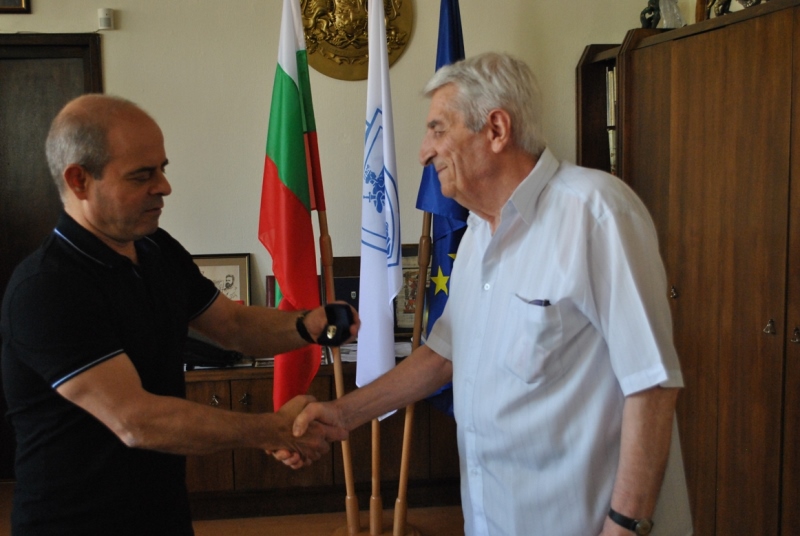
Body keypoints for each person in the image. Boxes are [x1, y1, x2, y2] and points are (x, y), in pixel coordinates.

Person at [285, 53, 692, 535]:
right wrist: (341, 414)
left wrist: (624, 525)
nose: (423, 152)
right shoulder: (479, 232)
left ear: (496, 129)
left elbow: (651, 385)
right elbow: (442, 356)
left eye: (438, 130)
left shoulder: (597, 213)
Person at [0, 94, 355, 536]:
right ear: (79, 180)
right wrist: (272, 430)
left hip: (162, 512)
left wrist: (308, 325)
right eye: (142, 175)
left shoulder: (155, 249)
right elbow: (137, 420)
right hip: (74, 523)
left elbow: (232, 326)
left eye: (162, 168)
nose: (164, 186)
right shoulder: (47, 288)